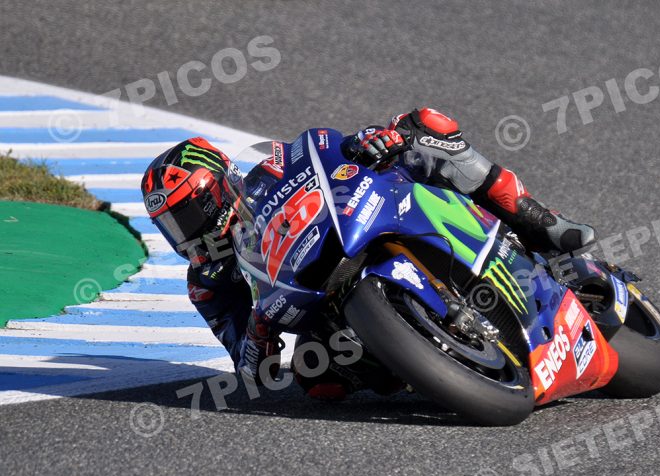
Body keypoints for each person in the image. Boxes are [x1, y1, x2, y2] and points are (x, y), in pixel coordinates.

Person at [140, 108, 596, 399]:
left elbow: (323, 152)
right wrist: (258, 333)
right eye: (174, 226)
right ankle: (419, 364)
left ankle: (539, 221)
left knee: (425, 127)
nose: (190, 233)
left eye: (191, 214)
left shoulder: (266, 174)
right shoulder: (207, 285)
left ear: (219, 186)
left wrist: (367, 142)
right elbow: (251, 371)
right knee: (317, 380)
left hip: (348, 225)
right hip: (313, 303)